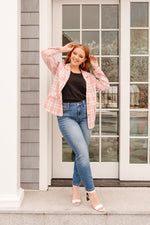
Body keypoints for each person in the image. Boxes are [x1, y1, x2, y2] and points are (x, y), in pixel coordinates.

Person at [41, 42, 110, 212]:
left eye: (80, 56)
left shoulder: (88, 76)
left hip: (85, 115)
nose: (76, 57)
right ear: (71, 54)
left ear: (84, 60)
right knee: (82, 152)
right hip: (66, 115)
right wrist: (62, 49)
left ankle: (74, 189)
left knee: (81, 154)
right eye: (74, 53)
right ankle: (91, 192)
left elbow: (105, 85)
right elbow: (45, 54)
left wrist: (96, 67)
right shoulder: (60, 69)